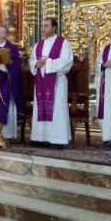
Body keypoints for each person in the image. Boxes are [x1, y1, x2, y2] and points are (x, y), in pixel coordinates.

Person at [29, 18, 73, 149]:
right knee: (40, 108)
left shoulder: (63, 43)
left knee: (57, 110)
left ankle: (57, 139)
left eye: (46, 26)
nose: (43, 28)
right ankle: (40, 138)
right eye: (42, 26)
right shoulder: (38, 45)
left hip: (56, 82)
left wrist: (47, 62)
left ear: (54, 28)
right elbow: (32, 60)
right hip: (41, 82)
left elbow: (67, 61)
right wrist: (36, 63)